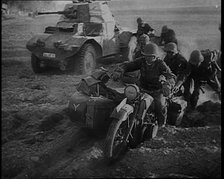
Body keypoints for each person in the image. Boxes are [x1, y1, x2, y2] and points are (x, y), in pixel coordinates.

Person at [112, 43, 176, 127]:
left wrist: (167, 84)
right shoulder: (141, 61)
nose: (148, 58)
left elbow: (170, 76)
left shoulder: (160, 64)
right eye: (146, 56)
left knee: (160, 105)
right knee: (127, 99)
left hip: (156, 91)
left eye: (151, 56)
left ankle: (161, 125)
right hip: (141, 89)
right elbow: (128, 65)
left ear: (155, 56)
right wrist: (120, 70)